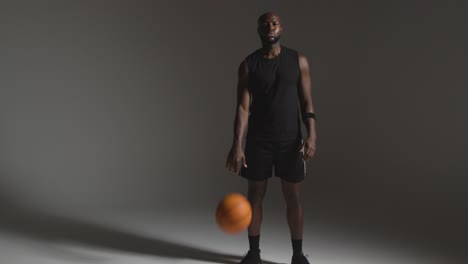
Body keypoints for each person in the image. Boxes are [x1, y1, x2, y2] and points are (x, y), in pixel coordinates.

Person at [225, 11, 317, 264]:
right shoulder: (248, 65)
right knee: (254, 197)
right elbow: (243, 108)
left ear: (281, 28)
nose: (270, 27)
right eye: (265, 24)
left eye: (274, 23)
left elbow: (306, 100)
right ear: (259, 30)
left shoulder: (298, 60)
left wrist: (312, 134)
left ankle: (298, 255)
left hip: (291, 140)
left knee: (293, 197)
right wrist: (237, 145)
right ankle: (253, 254)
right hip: (258, 140)